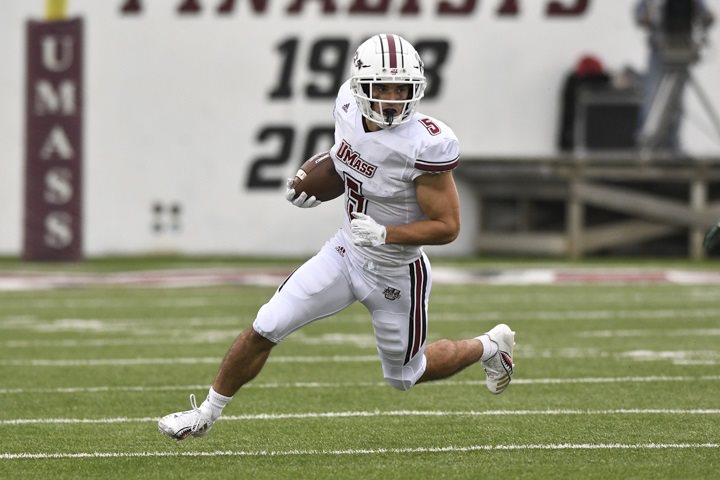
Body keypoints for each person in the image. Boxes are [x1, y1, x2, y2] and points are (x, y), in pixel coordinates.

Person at [158, 33, 515, 441]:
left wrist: (386, 233)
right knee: (266, 324)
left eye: (402, 88)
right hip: (345, 253)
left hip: (396, 272)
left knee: (405, 376)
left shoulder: (426, 143)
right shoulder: (346, 104)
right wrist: (316, 175)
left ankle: (490, 347)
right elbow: (346, 154)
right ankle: (205, 414)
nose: (393, 98)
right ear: (362, 87)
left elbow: (448, 227)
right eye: (383, 87)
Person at [635, 0, 714, 152]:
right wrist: (650, 17)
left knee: (676, 100)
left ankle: (672, 143)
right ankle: (649, 144)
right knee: (654, 97)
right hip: (659, 53)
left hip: (682, 49)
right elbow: (641, 16)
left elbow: (706, 16)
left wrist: (705, 20)